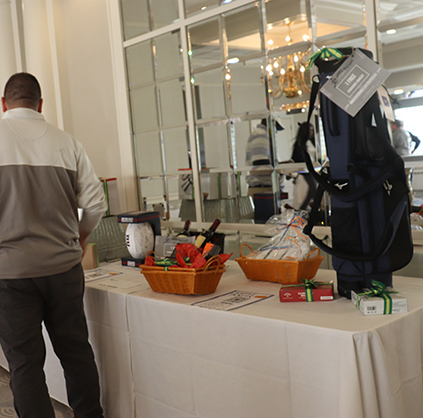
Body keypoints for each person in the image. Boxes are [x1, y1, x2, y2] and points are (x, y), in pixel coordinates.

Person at [0, 73, 106, 417]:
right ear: (40, 104)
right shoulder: (67, 143)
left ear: (3, 104)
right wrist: (81, 237)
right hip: (63, 267)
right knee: (76, 352)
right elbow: (95, 204)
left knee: (25, 363)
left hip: (10, 273)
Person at [245, 118, 284, 196]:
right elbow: (260, 165)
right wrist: (282, 170)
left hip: (263, 188)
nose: (276, 132)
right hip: (263, 189)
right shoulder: (261, 135)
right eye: (276, 128)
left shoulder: (260, 135)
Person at [291, 122, 318, 210]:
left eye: (312, 130)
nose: (311, 132)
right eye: (310, 130)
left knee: (311, 192)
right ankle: (316, 209)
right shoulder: (300, 145)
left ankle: (302, 209)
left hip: (313, 170)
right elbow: (295, 159)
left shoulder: (312, 142)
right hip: (306, 171)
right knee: (314, 191)